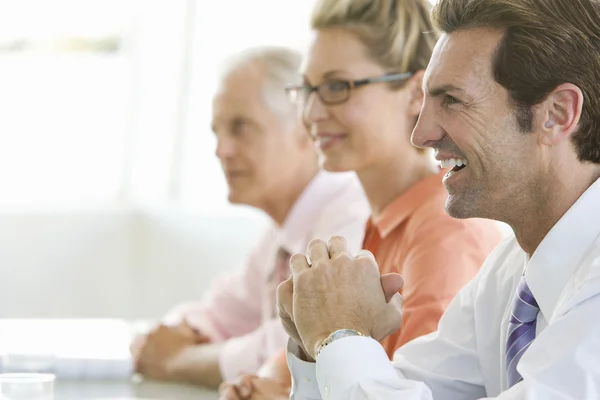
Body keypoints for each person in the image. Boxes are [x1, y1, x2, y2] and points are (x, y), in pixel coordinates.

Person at [276, 0, 600, 398]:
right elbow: (406, 388)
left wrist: (337, 337)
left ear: (556, 113)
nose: (421, 133)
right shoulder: (508, 273)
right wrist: (318, 352)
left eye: (452, 100)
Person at [219, 0, 503, 398]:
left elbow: (411, 391)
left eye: (338, 87)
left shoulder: (445, 229)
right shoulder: (381, 222)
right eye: (308, 89)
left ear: (413, 95)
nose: (313, 112)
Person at [130, 46, 371, 388]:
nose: (221, 150)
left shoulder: (349, 216)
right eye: (217, 132)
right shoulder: (281, 229)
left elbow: (296, 345)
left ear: (305, 130)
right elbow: (219, 312)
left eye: (240, 128)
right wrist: (177, 333)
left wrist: (178, 360)